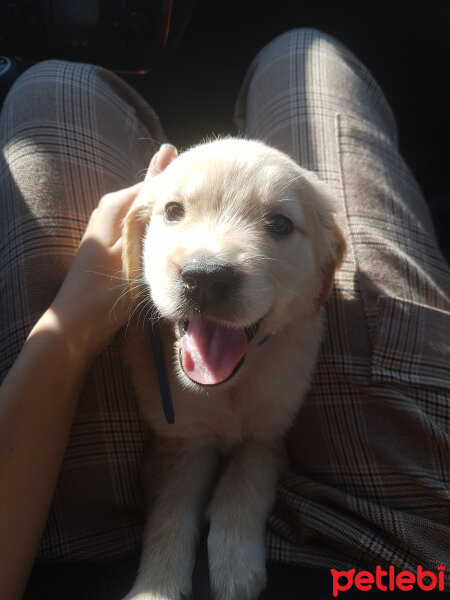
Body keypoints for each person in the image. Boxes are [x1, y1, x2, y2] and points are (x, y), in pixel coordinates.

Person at [0, 29, 449, 600]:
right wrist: (160, 571)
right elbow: (180, 448)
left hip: (76, 557)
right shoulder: (155, 334)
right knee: (301, 50)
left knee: (53, 83)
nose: (208, 266)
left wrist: (238, 517)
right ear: (135, 237)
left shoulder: (311, 305)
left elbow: (265, 441)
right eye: (173, 210)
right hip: (405, 558)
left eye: (279, 224)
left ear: (327, 267)